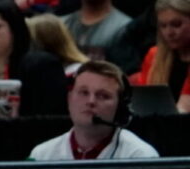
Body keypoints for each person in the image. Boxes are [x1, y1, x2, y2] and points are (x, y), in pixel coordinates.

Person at [28, 60, 158, 160]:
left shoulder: (140, 156)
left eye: (103, 95)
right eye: (83, 92)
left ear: (120, 108)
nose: (91, 101)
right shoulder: (40, 155)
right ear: (69, 99)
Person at [135, 0, 190, 108]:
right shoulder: (154, 55)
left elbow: (185, 108)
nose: (169, 32)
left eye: (176, 24)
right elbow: (142, 103)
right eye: (163, 26)